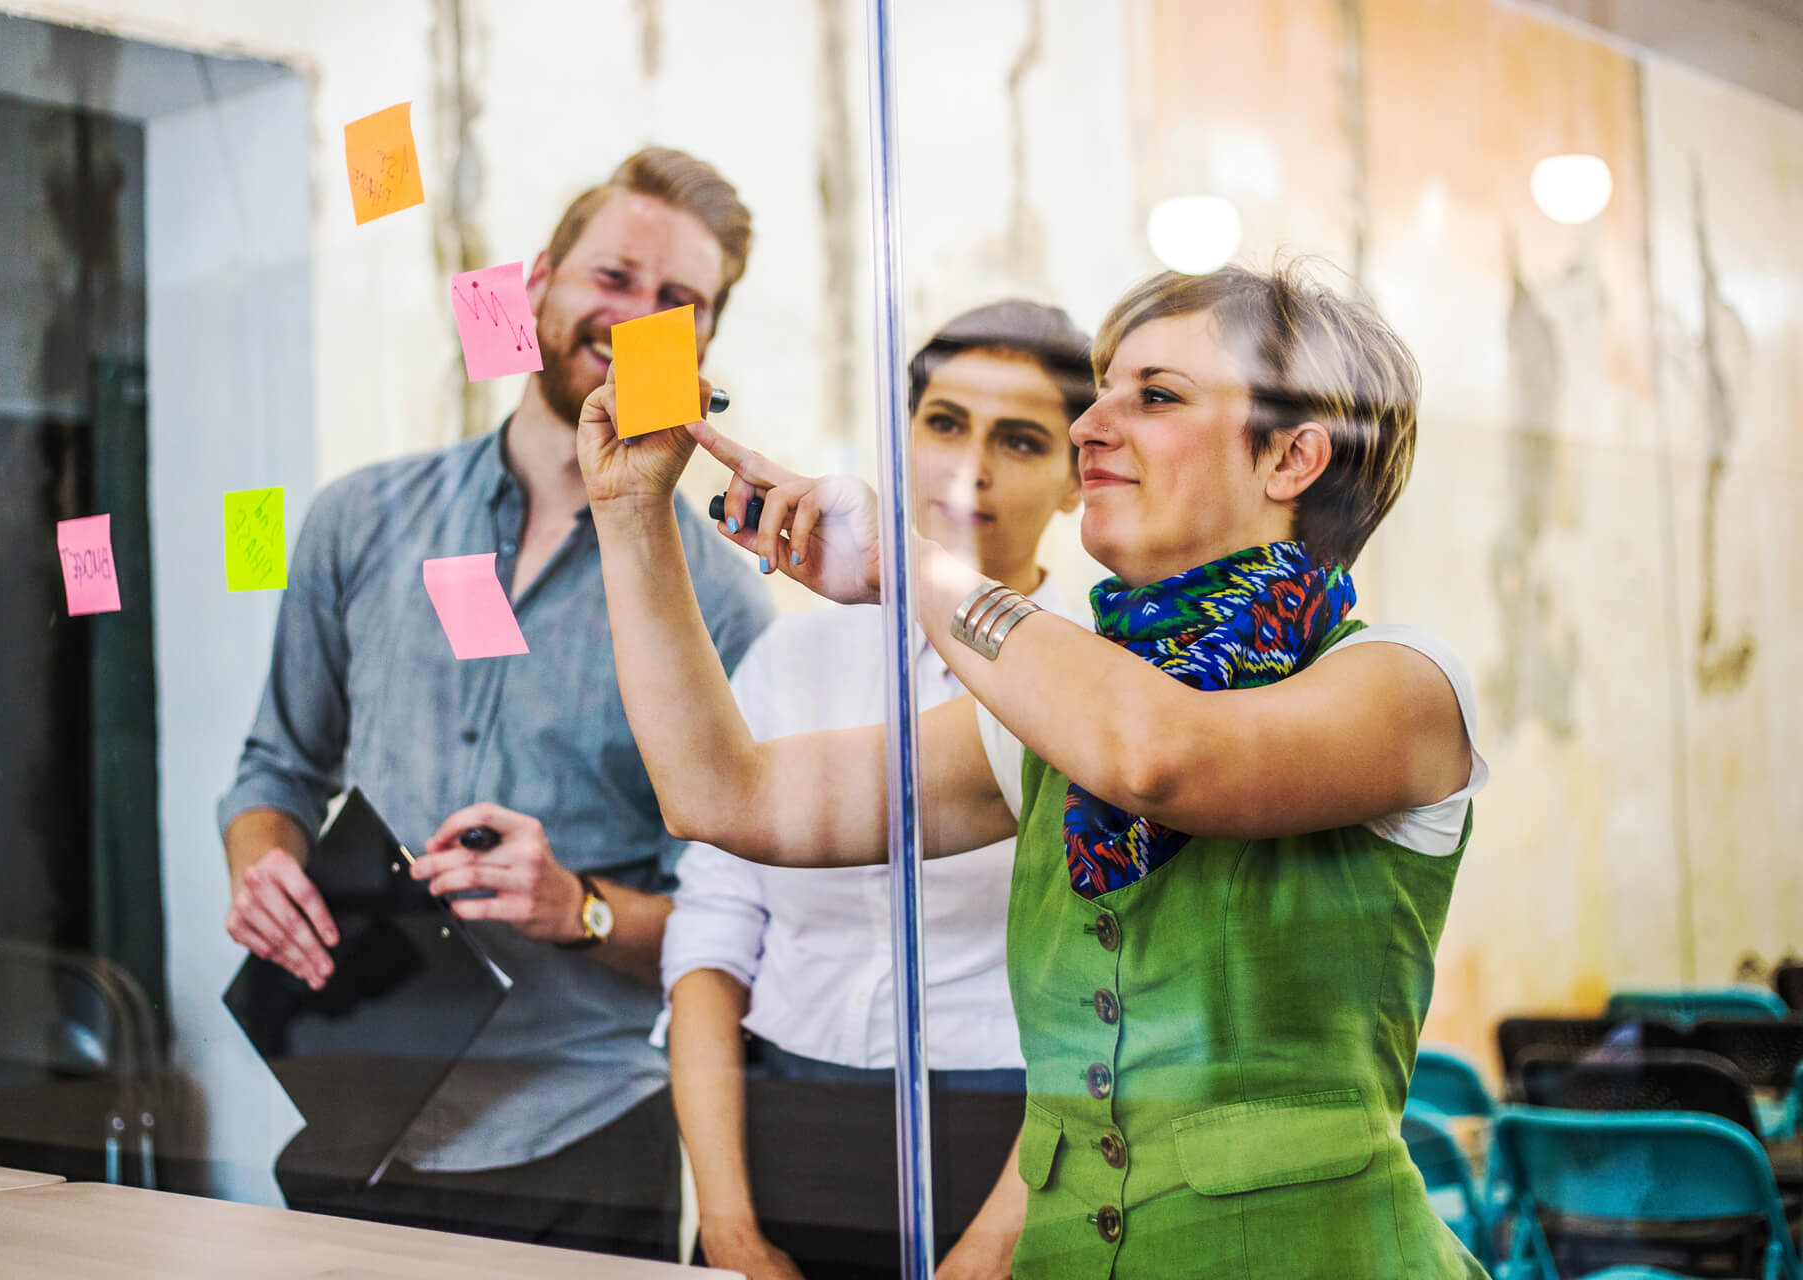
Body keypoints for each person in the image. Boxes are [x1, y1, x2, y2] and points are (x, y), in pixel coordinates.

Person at [576, 262, 1492, 1278]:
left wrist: (905, 560)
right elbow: (723, 795)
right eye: (1099, 391)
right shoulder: (1051, 713)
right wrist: (631, 514)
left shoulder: (1403, 683)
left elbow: (1159, 753)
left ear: (1292, 456)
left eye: (1153, 394)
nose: (1091, 426)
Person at [216, 148, 774, 1258]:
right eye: (612, 277)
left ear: (703, 345)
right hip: (347, 1096)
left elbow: (743, 922)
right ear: (537, 290)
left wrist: (581, 906)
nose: (634, 318)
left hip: (578, 1135)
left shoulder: (723, 602)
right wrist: (261, 864)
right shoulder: (358, 519)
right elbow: (275, 767)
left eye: (677, 303)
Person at [663, 301, 1093, 1280]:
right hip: (774, 1122)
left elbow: (1111, 1002)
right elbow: (712, 933)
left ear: (1077, 476)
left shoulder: (1093, 678)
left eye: (1020, 439)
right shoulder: (794, 651)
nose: (969, 466)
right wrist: (728, 1228)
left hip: (1011, 1138)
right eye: (945, 422)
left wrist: (990, 1252)